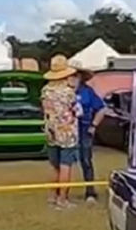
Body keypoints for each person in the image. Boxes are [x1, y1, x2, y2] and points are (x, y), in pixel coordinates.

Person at [40, 56, 81, 210]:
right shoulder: (68, 92)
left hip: (51, 132)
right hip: (67, 134)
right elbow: (77, 111)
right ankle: (62, 199)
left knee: (54, 166)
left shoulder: (45, 90)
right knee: (65, 166)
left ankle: (52, 196)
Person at [73, 68, 109, 204]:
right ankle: (60, 194)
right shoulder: (63, 91)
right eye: (71, 75)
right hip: (67, 131)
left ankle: (90, 192)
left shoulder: (87, 91)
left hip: (84, 130)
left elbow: (101, 108)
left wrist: (93, 125)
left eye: (76, 75)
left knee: (86, 160)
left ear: (81, 77)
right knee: (63, 162)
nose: (73, 78)